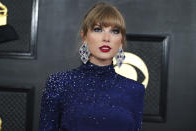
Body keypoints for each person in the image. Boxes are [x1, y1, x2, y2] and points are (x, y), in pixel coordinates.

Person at [39, 2, 145, 131]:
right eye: (98, 29)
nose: (106, 38)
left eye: (114, 31)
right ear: (84, 36)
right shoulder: (59, 82)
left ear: (121, 40)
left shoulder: (135, 90)